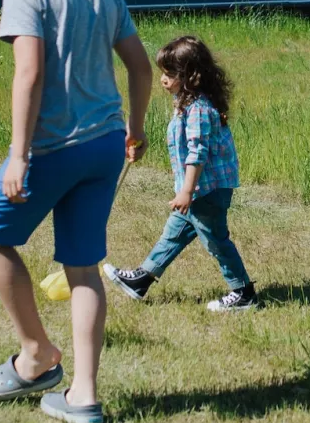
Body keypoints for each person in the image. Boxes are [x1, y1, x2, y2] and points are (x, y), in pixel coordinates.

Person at [0, 0, 152, 423]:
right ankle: (83, 397)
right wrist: (136, 129)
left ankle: (37, 356)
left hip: (53, 147)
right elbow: (140, 68)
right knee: (83, 267)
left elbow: (29, 73)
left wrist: (18, 155)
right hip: (105, 144)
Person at [104, 35, 260, 312]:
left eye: (170, 74)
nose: (163, 79)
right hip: (199, 188)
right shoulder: (186, 104)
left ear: (191, 76)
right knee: (173, 234)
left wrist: (187, 191)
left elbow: (197, 153)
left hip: (207, 189)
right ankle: (142, 279)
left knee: (216, 241)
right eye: (163, 72)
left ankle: (243, 292)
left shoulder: (199, 110)